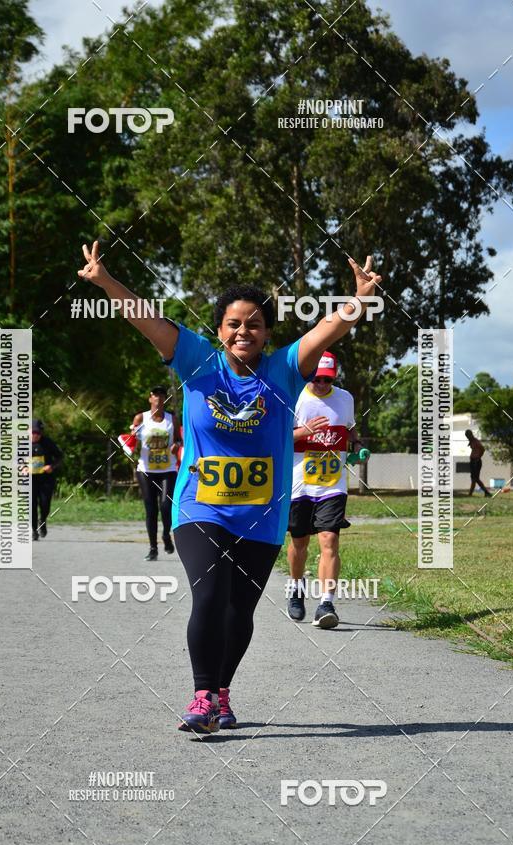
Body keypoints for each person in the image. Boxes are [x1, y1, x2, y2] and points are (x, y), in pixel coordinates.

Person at [78, 240, 381, 734]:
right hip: (201, 506)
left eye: (255, 323)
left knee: (241, 610)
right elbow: (144, 317)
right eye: (234, 323)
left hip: (263, 514)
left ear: (266, 333)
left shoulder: (285, 368)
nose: (244, 330)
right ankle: (201, 698)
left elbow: (330, 327)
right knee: (210, 595)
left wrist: (360, 298)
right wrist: (106, 281)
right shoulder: (195, 358)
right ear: (219, 330)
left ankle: (222, 691)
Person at [286, 351, 364, 628]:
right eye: (316, 379)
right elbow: (279, 436)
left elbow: (350, 427)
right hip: (300, 484)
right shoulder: (296, 397)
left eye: (327, 380)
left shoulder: (344, 398)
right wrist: (304, 432)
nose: (321, 384)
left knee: (329, 540)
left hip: (333, 483)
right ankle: (296, 589)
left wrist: (355, 443)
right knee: (299, 543)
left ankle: (326, 604)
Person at [130, 385, 180, 560]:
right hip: (146, 470)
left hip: (167, 469)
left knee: (166, 506)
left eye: (161, 395)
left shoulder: (171, 419)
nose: (158, 397)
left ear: (164, 399)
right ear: (150, 399)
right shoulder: (140, 418)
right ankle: (153, 548)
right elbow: (132, 442)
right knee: (151, 509)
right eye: (155, 395)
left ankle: (166, 535)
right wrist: (131, 441)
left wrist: (177, 446)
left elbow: (179, 440)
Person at [30, 419, 63, 540]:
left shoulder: (48, 443)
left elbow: (60, 457)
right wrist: (21, 467)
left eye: (38, 433)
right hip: (29, 480)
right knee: (31, 506)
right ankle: (34, 530)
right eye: (33, 432)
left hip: (46, 479)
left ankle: (42, 521)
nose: (35, 435)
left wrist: (52, 466)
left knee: (45, 505)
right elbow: (14, 461)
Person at [465, 429, 492, 497]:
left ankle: (486, 492)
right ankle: (470, 494)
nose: (467, 437)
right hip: (472, 461)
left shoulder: (476, 441)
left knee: (475, 478)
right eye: (466, 436)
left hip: (476, 461)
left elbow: (482, 449)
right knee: (473, 478)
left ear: (471, 434)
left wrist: (478, 457)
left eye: (468, 435)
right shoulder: (471, 441)